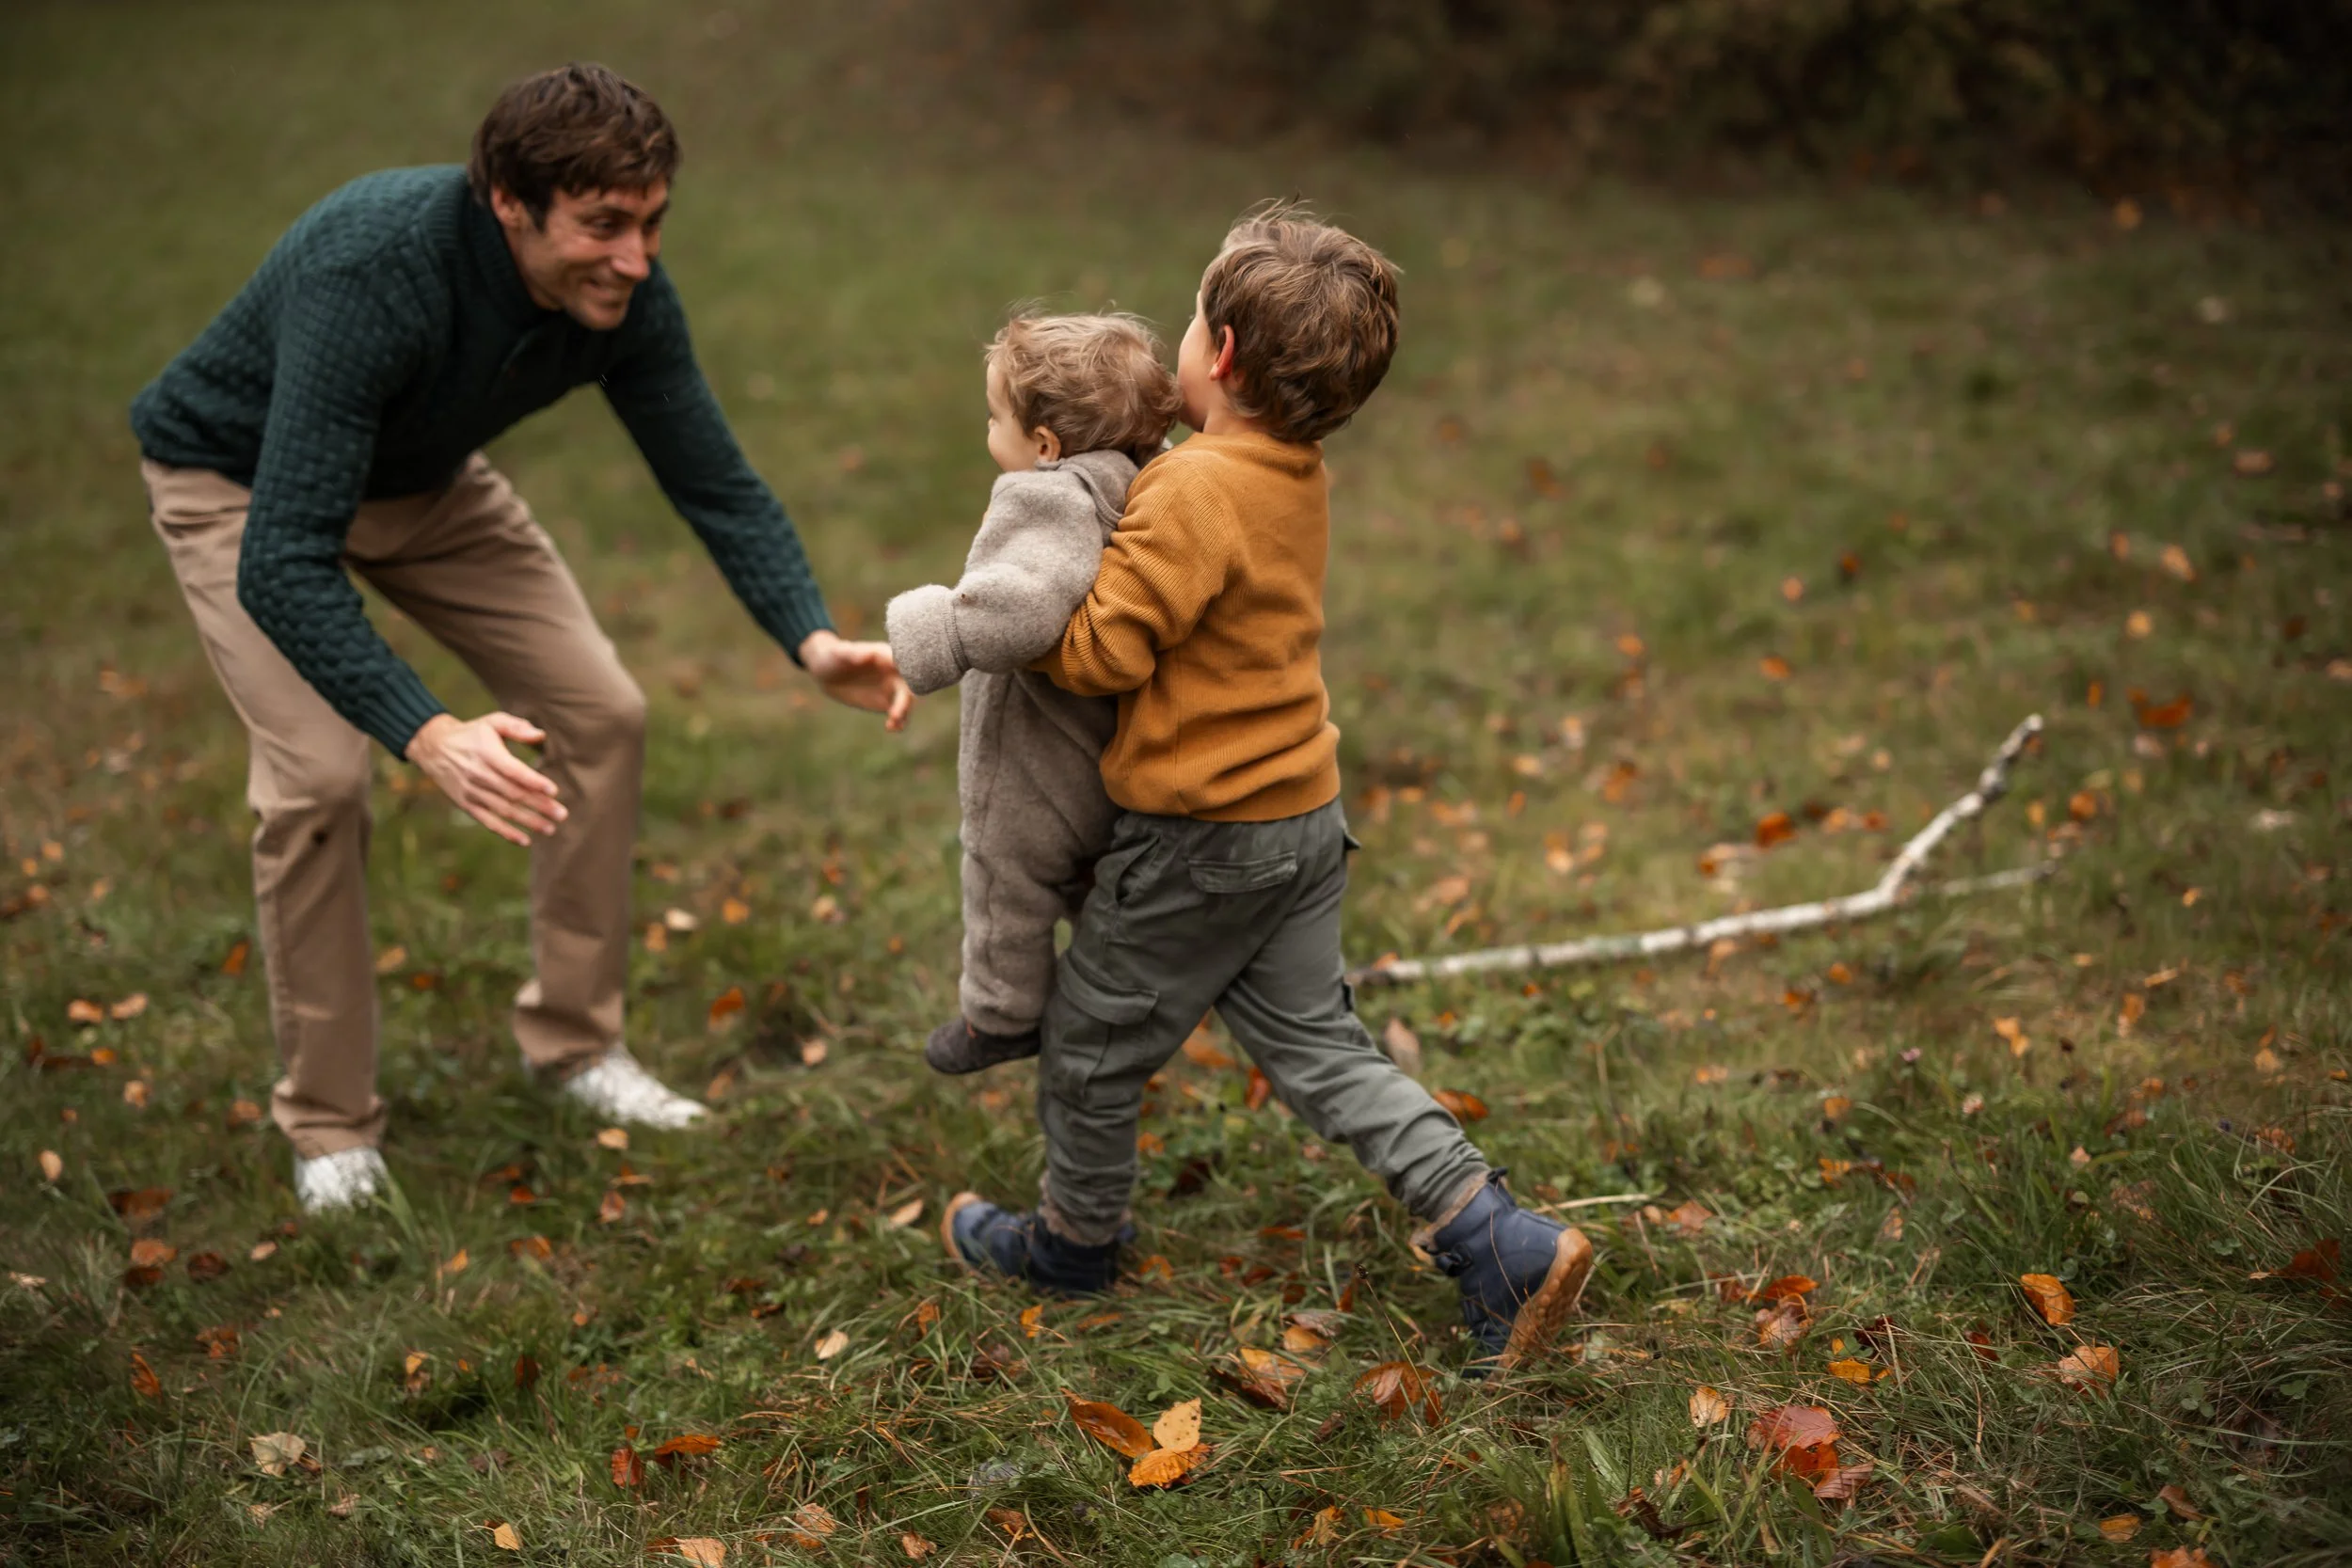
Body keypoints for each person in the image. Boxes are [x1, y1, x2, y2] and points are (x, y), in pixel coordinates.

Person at [132, 63, 910, 1213]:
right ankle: (331, 1125)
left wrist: (810, 636)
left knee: (604, 712)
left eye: (651, 223)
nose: (635, 259)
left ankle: (576, 1044)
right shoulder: (373, 269)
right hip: (240, 489)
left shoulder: (625, 297)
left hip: (423, 483)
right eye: (603, 225)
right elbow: (284, 559)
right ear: (508, 201)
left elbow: (714, 480)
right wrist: (427, 730)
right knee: (317, 782)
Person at [940, 207, 1594, 1372]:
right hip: (1301, 816)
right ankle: (1495, 1233)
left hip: (1200, 838)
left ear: (1224, 352)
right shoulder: (1293, 469)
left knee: (1087, 1045)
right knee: (1318, 1045)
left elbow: (1103, 652)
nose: (1181, 340)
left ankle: (1073, 1245)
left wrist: (1015, 624)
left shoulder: (1190, 487)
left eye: (1193, 321)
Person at [883, 313, 1182, 1076]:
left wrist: (929, 631)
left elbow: (1022, 607)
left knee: (1002, 881)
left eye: (996, 418)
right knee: (1092, 892)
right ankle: (1129, 997)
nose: (989, 431)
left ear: (1045, 444)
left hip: (1029, 767)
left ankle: (1001, 1016)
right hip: (1098, 756)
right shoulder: (1140, 481)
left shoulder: (1050, 497)